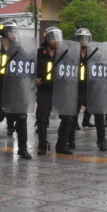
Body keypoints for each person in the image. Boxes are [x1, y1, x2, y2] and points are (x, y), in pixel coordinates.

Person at [0, 22, 33, 158]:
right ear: (4, 32)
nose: (14, 34)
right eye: (11, 31)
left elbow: (28, 65)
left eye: (15, 31)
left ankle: (23, 148)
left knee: (22, 119)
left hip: (17, 89)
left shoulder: (20, 49)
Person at [34, 27, 74, 155]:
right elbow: (30, 69)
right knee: (42, 119)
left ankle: (61, 145)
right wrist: (34, 79)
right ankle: (42, 145)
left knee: (68, 117)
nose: (55, 41)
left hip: (60, 91)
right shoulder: (39, 53)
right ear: (46, 39)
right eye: (52, 38)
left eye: (57, 38)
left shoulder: (64, 53)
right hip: (44, 90)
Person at [67, 28, 107, 151]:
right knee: (71, 116)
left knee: (99, 115)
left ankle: (102, 141)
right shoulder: (71, 53)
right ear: (77, 40)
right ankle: (70, 141)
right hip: (77, 89)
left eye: (86, 38)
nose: (84, 41)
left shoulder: (96, 53)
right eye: (81, 38)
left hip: (93, 89)